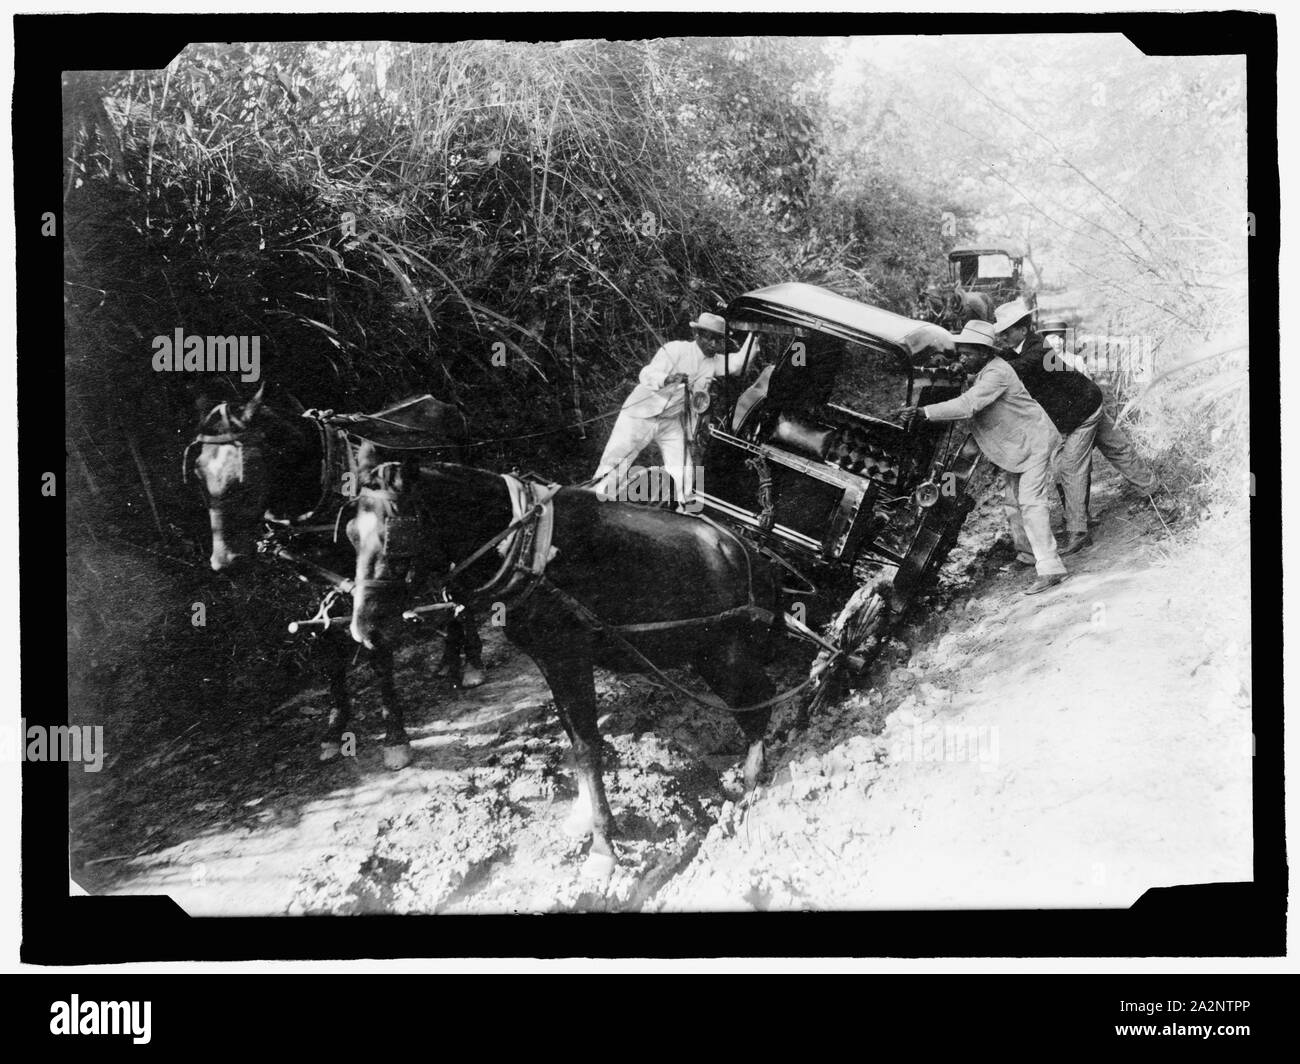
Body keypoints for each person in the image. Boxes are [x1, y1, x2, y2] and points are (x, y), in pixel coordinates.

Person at [897, 319, 1068, 595]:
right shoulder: (983, 369)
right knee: (1013, 504)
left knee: (1031, 503)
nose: (963, 358)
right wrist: (959, 372)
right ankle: (1028, 555)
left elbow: (968, 405)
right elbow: (970, 381)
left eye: (969, 353)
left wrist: (923, 412)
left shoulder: (997, 373)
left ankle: (1051, 568)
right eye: (961, 352)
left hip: (1033, 441)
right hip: (1016, 446)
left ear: (986, 352)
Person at [992, 299, 1162, 556]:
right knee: (1118, 449)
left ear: (1022, 330)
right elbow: (1005, 358)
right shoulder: (1020, 349)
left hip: (1081, 412)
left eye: (1006, 331)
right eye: (1000, 333)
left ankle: (1078, 531)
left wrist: (984, 370)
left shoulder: (1037, 350)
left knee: (1069, 468)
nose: (1002, 336)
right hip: (1086, 401)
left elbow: (1016, 368)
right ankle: (1154, 491)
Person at [593, 312, 749, 504]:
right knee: (614, 463)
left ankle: (685, 510)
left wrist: (755, 335)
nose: (715, 345)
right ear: (698, 335)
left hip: (670, 421)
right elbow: (647, 373)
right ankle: (594, 502)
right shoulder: (675, 349)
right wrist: (667, 379)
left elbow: (738, 364)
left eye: (719, 340)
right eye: (711, 338)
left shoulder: (714, 362)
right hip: (641, 415)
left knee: (684, 470)